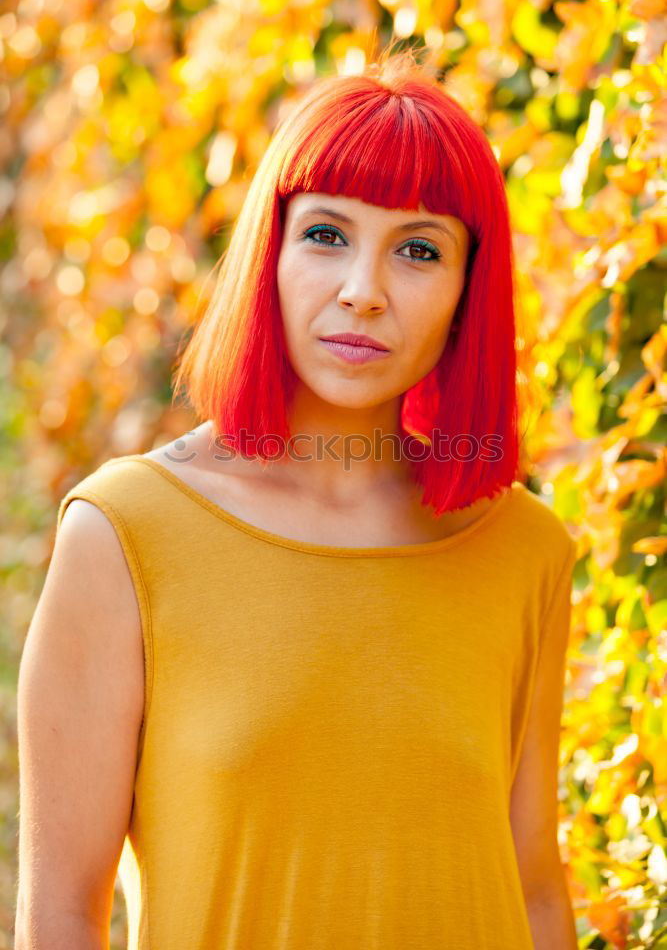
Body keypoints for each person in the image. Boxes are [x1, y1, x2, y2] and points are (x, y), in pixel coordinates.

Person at [15, 46, 579, 949]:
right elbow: (57, 916)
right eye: (325, 234)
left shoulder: (525, 550)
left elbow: (535, 890)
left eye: (419, 251)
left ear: (467, 293)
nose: (363, 292)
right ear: (268, 255)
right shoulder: (125, 535)